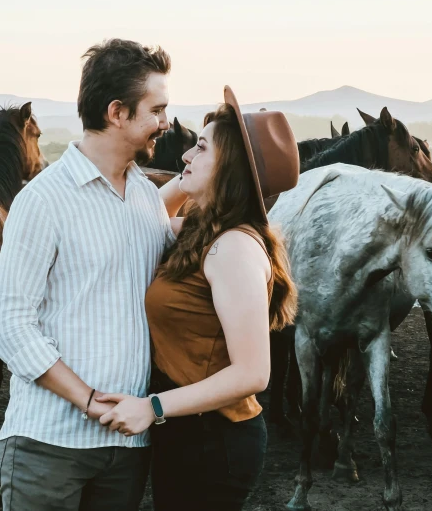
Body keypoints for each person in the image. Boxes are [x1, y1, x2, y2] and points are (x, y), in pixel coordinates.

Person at [0, 38, 187, 510]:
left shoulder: (143, 196)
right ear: (117, 112)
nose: (164, 123)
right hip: (47, 446)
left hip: (127, 448)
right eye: (156, 109)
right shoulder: (44, 198)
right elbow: (8, 323)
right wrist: (89, 399)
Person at [95, 86, 300, 510]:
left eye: (201, 149)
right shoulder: (203, 232)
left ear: (232, 169)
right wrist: (193, 180)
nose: (185, 156)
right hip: (189, 430)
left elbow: (252, 374)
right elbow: (141, 218)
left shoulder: (234, 249)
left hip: (214, 440)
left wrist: (151, 408)